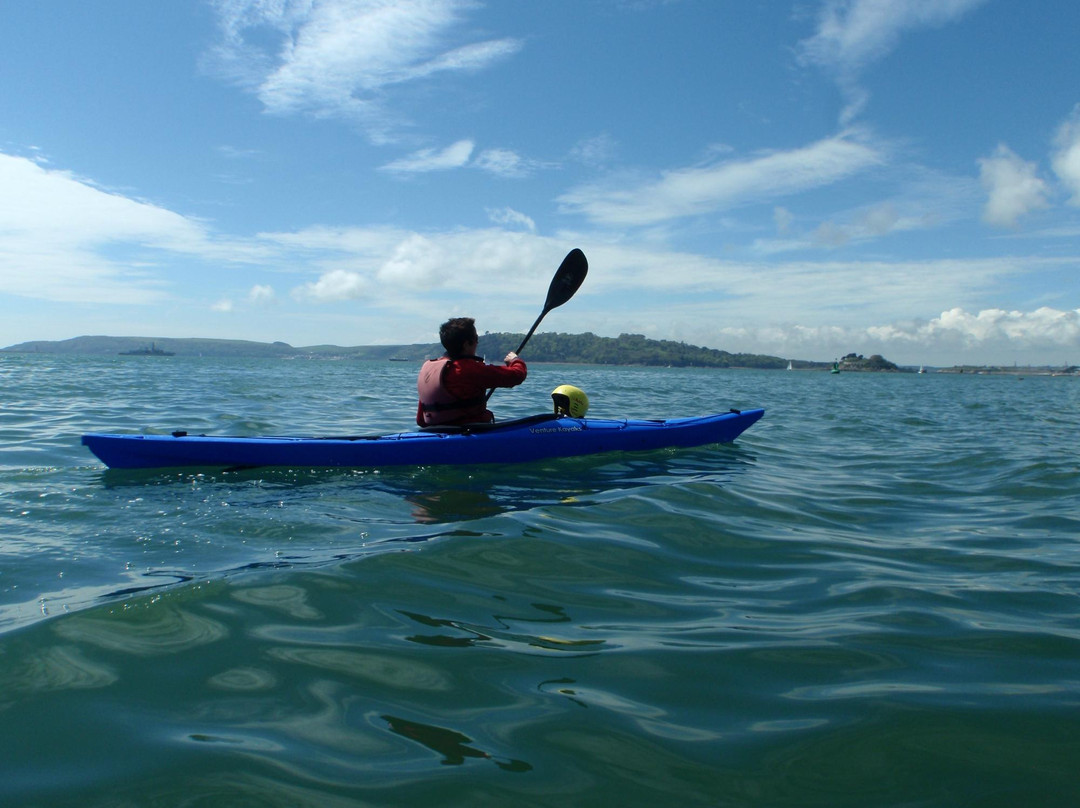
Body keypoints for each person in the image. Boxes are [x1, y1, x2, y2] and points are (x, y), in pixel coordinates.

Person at [417, 317, 527, 426]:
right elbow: (516, 375)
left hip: (434, 431)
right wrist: (514, 360)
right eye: (476, 338)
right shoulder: (467, 369)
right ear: (466, 344)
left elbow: (420, 420)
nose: (477, 342)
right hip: (468, 432)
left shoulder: (428, 368)